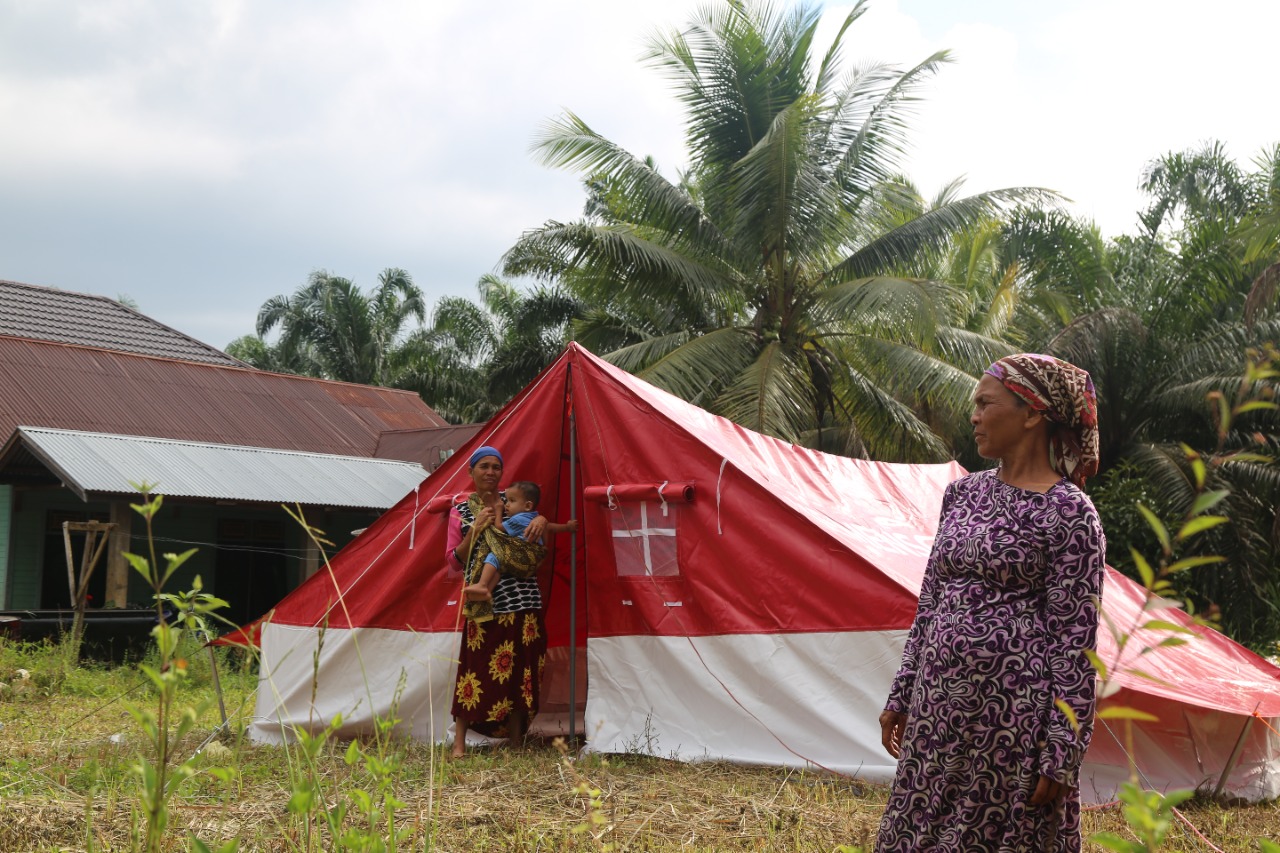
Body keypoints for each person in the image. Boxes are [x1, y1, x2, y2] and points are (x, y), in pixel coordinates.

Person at [875, 353, 1106, 852]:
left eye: (985, 403)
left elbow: (1076, 644)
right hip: (938, 707)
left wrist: (1062, 750)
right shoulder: (962, 495)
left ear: (1031, 413)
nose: (974, 415)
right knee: (918, 831)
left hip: (1011, 722)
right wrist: (903, 689)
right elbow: (931, 602)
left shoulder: (1071, 514)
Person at [446, 447, 551, 758]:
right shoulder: (460, 510)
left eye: (496, 467)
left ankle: (517, 741)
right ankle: (459, 743)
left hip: (524, 599)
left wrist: (542, 519)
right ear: (471, 471)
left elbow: (535, 518)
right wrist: (475, 529)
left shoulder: (515, 500)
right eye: (484, 466)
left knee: (522, 670)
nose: (490, 472)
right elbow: (454, 561)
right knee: (473, 670)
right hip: (486, 603)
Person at [462, 481, 578, 622]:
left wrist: (498, 511)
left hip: (521, 553)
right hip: (528, 559)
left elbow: (498, 527)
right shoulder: (534, 518)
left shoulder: (518, 519)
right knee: (500, 565)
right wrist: (567, 527)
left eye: (511, 501)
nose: (506, 505)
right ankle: (486, 590)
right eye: (507, 501)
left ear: (528, 505)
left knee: (495, 555)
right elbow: (550, 527)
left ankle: (483, 584)